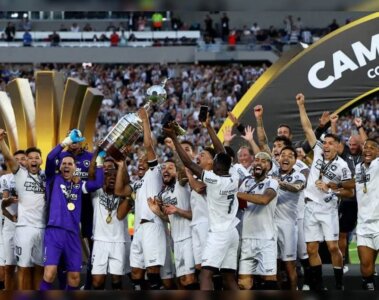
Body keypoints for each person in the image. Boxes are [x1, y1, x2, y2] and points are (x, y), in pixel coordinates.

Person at [164, 123, 240, 291]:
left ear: (217, 166)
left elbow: (188, 164)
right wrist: (209, 126)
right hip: (232, 231)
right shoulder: (234, 175)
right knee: (228, 276)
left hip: (219, 232)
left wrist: (175, 139)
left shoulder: (214, 179)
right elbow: (221, 152)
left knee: (205, 275)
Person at [296, 93, 354, 290]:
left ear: (337, 147)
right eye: (325, 142)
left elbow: (350, 192)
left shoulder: (342, 166)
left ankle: (339, 284)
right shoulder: (319, 151)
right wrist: (302, 105)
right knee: (311, 248)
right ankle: (318, 285)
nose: (326, 145)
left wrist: (331, 187)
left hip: (328, 208)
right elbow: (306, 128)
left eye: (330, 143)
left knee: (332, 247)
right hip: (310, 207)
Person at [39, 129, 104, 291]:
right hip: (54, 232)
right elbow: (50, 157)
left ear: (75, 168)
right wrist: (65, 142)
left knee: (74, 277)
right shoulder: (53, 179)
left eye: (70, 164)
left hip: (73, 234)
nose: (67, 166)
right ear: (60, 167)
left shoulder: (79, 185)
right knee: (50, 273)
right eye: (64, 164)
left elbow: (97, 183)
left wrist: (101, 160)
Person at [115, 108, 167, 290]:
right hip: (138, 229)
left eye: (143, 162)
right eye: (138, 164)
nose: (140, 165)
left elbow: (148, 146)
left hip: (153, 225)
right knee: (136, 272)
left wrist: (145, 120)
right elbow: (120, 190)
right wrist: (122, 165)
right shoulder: (138, 183)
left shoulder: (155, 173)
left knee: (153, 271)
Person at [0, 129, 46, 290]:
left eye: (36, 157)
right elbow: (8, 157)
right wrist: (1, 141)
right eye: (30, 158)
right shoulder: (20, 174)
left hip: (43, 228)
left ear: (41, 160)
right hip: (24, 228)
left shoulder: (47, 177)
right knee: (24, 268)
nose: (33, 160)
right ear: (25, 161)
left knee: (40, 268)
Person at [148, 158, 197, 289]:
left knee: (191, 278)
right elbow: (170, 219)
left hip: (189, 238)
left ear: (177, 171)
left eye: (170, 168)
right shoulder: (164, 194)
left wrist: (177, 210)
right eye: (164, 168)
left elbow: (193, 215)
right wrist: (157, 212)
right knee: (182, 280)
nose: (165, 170)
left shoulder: (182, 185)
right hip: (176, 241)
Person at [330, 114, 367, 273]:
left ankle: (368, 264)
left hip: (366, 200)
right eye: (350, 144)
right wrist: (333, 123)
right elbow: (335, 142)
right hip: (349, 199)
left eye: (354, 144)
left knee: (370, 234)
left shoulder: (366, 155)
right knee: (342, 233)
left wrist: (360, 127)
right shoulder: (344, 153)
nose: (352, 146)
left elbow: (367, 143)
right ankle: (343, 261)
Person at [236, 152, 279, 290]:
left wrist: (236, 193)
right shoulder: (246, 182)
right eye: (256, 160)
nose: (258, 162)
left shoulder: (272, 182)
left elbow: (264, 200)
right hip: (247, 237)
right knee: (243, 283)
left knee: (269, 279)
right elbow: (240, 205)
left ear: (269, 166)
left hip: (266, 238)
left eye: (264, 161)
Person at [91, 158, 132, 290]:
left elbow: (120, 215)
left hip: (118, 241)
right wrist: (97, 154)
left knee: (116, 279)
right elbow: (91, 174)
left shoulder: (123, 196)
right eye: (108, 175)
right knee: (97, 281)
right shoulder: (97, 192)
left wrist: (122, 165)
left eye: (115, 176)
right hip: (99, 241)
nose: (112, 178)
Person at [272, 147, 306, 290]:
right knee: (274, 265)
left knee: (290, 265)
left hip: (288, 226)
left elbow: (297, 187)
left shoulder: (299, 176)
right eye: (283, 155)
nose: (286, 158)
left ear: (295, 160)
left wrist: (280, 183)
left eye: (290, 156)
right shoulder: (271, 173)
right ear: (278, 158)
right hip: (271, 225)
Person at [353, 139, 379, 290]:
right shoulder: (358, 168)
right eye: (365, 147)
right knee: (366, 266)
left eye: (372, 147)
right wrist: (337, 185)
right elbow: (356, 184)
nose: (367, 149)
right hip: (363, 224)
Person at [1, 150, 27, 290]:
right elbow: (4, 205)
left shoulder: (34, 178)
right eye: (16, 159)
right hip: (10, 226)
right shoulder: (5, 179)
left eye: (23, 159)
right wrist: (11, 215)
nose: (19, 162)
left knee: (26, 267)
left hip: (29, 225)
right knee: (9, 266)